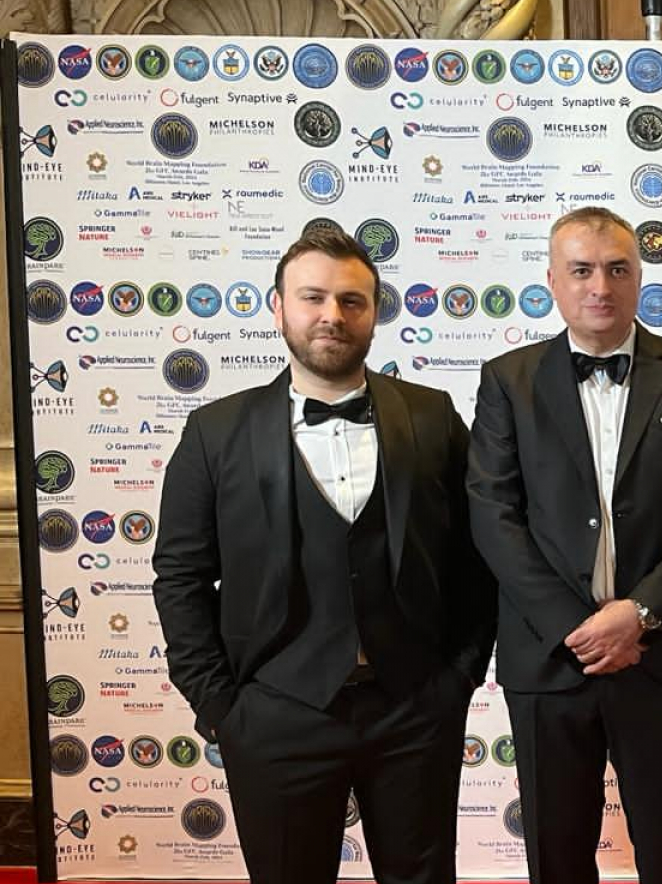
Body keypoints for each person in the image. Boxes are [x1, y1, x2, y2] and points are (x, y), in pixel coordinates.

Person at [152, 228, 496, 884]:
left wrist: (457, 679)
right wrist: (221, 707)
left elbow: (478, 558)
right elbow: (180, 578)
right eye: (313, 297)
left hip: (414, 711)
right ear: (278, 307)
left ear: (375, 313)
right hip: (275, 714)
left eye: (351, 300)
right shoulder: (215, 432)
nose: (332, 315)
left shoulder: (432, 416)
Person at [467, 206, 662, 884]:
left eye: (618, 269)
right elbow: (493, 513)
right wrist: (577, 628)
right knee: (557, 857)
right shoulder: (507, 380)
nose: (600, 286)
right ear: (552, 282)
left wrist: (638, 614)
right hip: (550, 658)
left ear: (639, 278)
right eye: (582, 270)